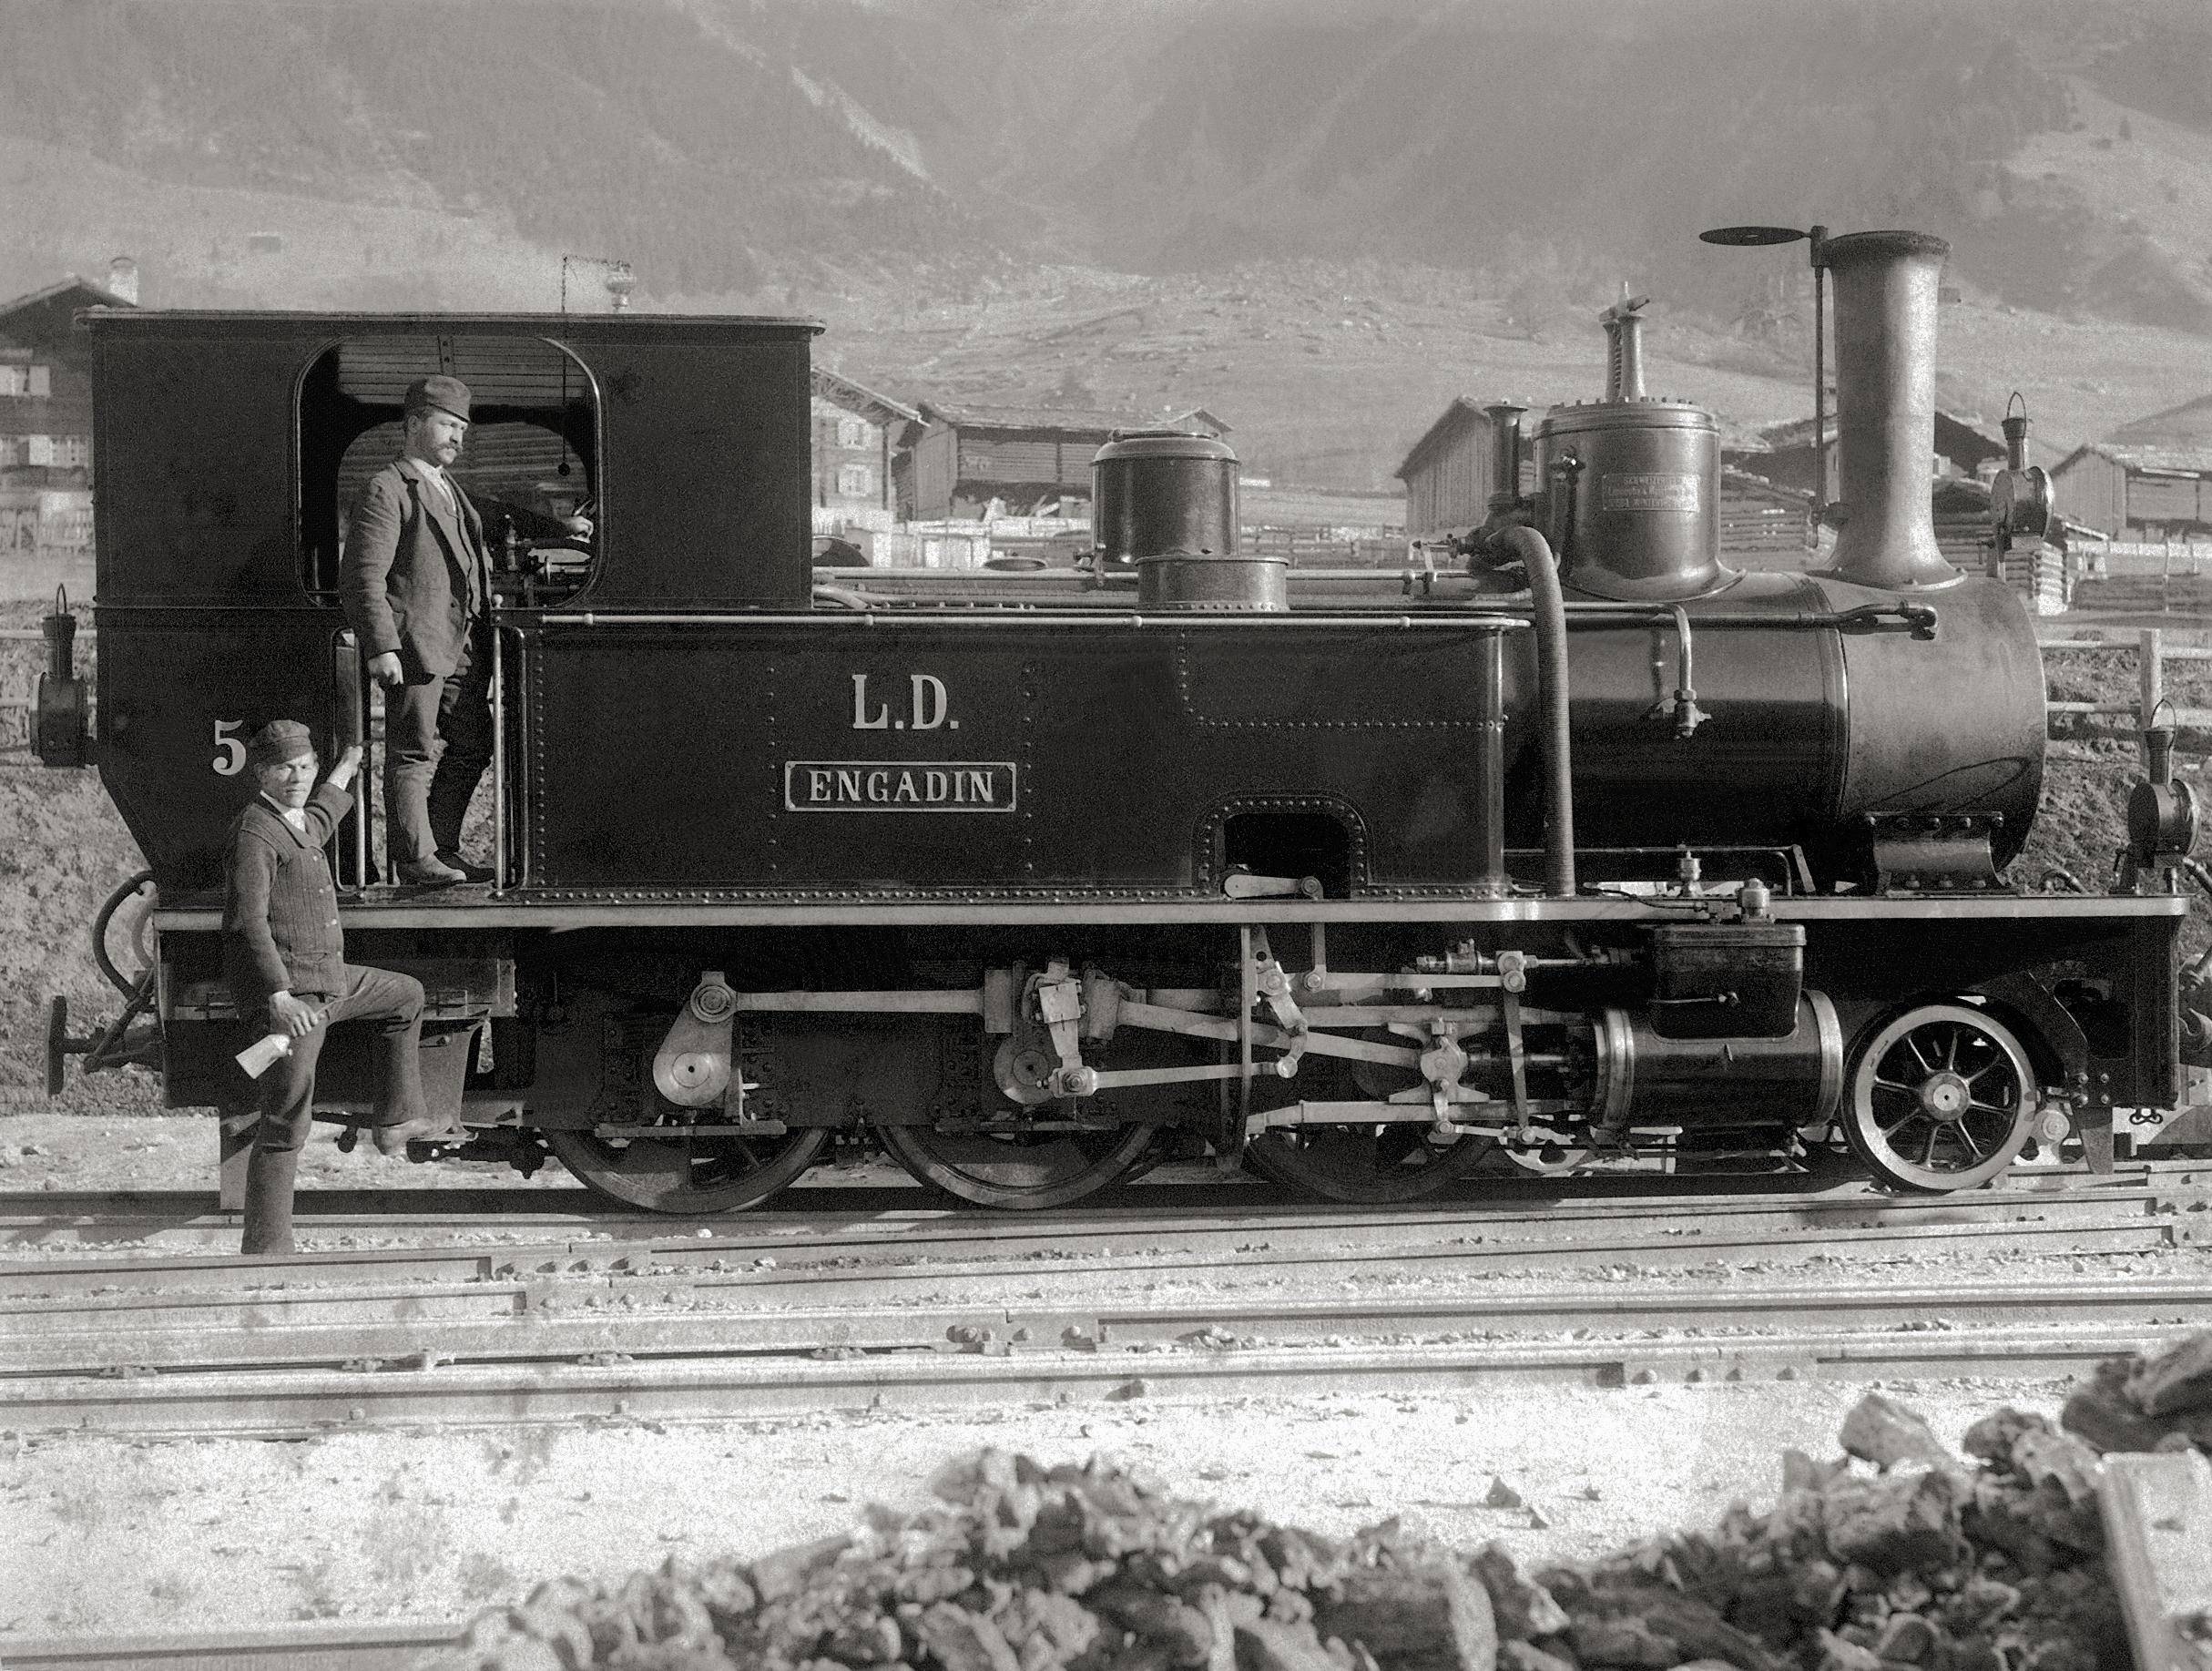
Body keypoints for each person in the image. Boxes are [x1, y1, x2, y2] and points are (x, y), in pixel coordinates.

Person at [339, 374, 590, 886]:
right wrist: (383, 646)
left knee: (474, 742)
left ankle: (442, 848)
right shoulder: (387, 489)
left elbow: (499, 516)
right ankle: (413, 860)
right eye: (446, 425)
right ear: (413, 424)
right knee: (411, 752)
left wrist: (562, 529)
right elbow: (362, 576)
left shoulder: (450, 489)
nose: (457, 437)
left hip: (463, 646)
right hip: (416, 645)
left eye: (461, 427)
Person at [225, 720, 437, 1255]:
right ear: (261, 774)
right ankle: (267, 1249)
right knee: (285, 1121)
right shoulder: (255, 834)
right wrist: (278, 997)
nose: (296, 777)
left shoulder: (292, 820)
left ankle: (394, 1123)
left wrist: (343, 771)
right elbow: (247, 921)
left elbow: (317, 819)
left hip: (333, 984)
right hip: (298, 1000)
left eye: (304, 767)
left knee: (406, 996)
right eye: (284, 768)